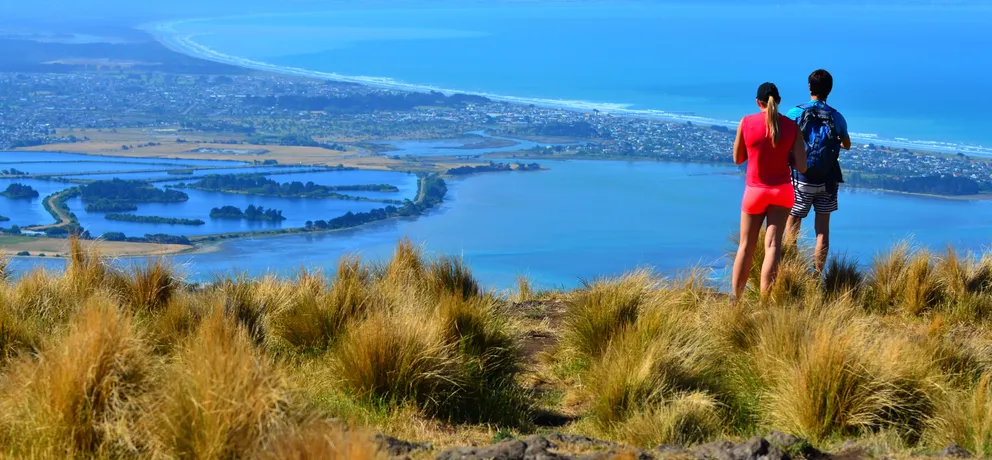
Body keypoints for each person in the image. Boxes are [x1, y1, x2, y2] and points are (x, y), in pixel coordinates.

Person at [732, 83, 807, 301]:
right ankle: (766, 302)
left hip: (755, 191)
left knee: (746, 247)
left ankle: (736, 302)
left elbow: (738, 159)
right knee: (773, 246)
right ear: (779, 101)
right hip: (782, 192)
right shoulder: (792, 127)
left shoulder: (746, 122)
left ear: (758, 102)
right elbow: (802, 166)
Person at [785, 69, 851, 274]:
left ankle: (791, 270)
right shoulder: (837, 117)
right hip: (827, 180)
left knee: (793, 223)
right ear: (830, 89)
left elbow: (783, 139)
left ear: (809, 87)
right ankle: (816, 275)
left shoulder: (795, 113)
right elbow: (847, 145)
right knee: (822, 231)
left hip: (801, 178)